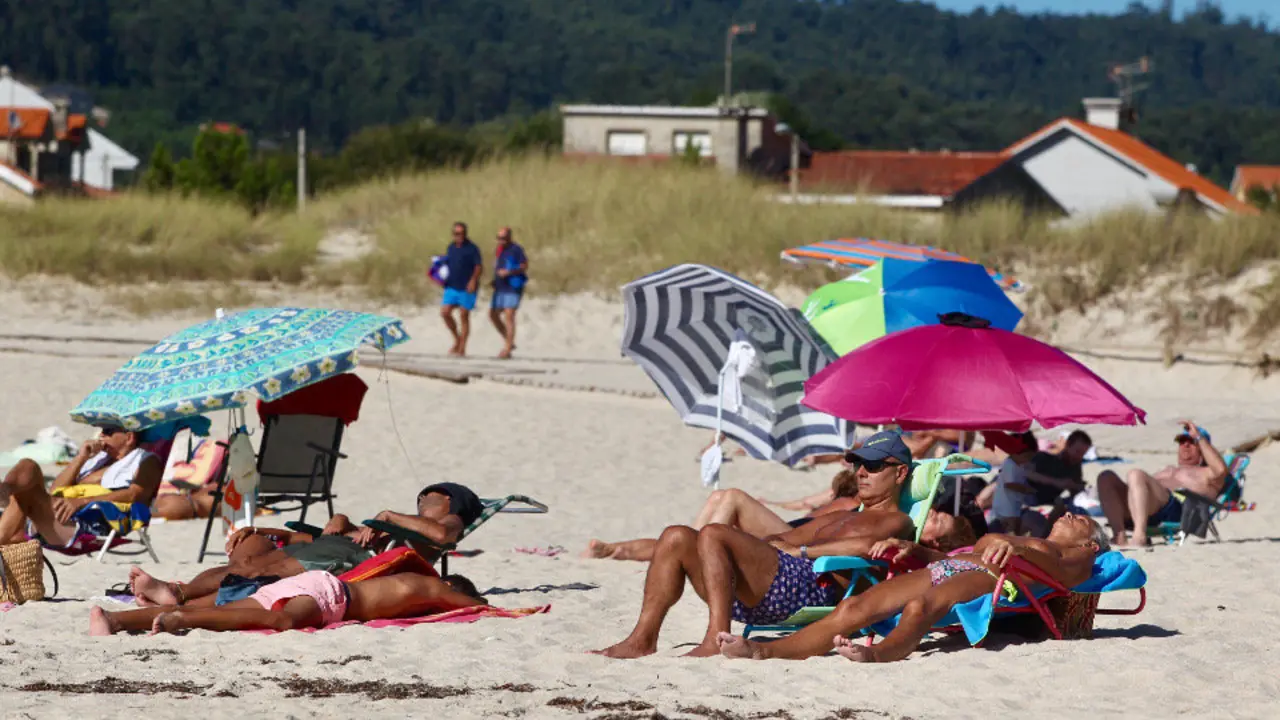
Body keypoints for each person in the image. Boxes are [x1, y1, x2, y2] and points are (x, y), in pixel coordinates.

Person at [590, 430, 917, 659]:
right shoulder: (843, 513)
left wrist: (801, 551)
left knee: (715, 532)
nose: (861, 473)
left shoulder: (897, 521)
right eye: (857, 464)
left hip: (809, 588)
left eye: (872, 466)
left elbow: (866, 548)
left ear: (900, 472)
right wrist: (764, 547)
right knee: (676, 535)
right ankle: (642, 639)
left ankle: (714, 638)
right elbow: (785, 537)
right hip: (768, 585)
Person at [715, 513, 1109, 662]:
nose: (1069, 513)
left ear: (1090, 543)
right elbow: (950, 557)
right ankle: (765, 650)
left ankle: (880, 654)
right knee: (854, 609)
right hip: (954, 565)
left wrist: (1020, 554)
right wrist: (916, 549)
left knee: (922, 607)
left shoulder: (1077, 556)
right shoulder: (1027, 540)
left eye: (1081, 519)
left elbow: (1062, 575)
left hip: (994, 577)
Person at [128, 482, 485, 608]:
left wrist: (390, 515)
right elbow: (357, 530)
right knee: (250, 569)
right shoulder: (411, 523)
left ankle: (179, 594)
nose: (422, 499)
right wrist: (342, 520)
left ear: (450, 502)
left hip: (352, 561)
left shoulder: (447, 521)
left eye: (430, 495)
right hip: (337, 547)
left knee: (258, 572)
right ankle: (180, 593)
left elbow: (443, 538)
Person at [90, 569, 486, 636]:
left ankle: (115, 618)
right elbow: (467, 603)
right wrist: (483, 605)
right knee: (282, 623)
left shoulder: (411, 586)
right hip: (330, 597)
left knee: (227, 613)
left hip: (314, 586)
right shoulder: (430, 584)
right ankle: (181, 620)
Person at [583, 469, 862, 562]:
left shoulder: (852, 503)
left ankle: (696, 550)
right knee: (719, 497)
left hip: (791, 538)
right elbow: (804, 503)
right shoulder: (835, 498)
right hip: (790, 526)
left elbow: (811, 512)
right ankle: (620, 549)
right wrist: (776, 502)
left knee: (734, 498)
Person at [0, 427, 162, 550]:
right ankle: (6, 491)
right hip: (60, 513)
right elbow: (56, 489)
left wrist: (81, 501)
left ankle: (4, 492)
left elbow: (135, 494)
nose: (101, 435)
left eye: (108, 431)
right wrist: (81, 457)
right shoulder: (98, 460)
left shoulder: (145, 461)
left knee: (29, 468)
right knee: (25, 476)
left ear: (129, 437)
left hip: (87, 523)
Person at [1096, 422, 1227, 547]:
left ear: (1204, 449)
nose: (1185, 446)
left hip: (1173, 509)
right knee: (1106, 477)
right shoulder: (1168, 469)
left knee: (1135, 474)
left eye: (1192, 442)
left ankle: (1139, 535)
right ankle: (1119, 535)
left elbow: (1221, 470)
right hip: (1144, 507)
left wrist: (1199, 437)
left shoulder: (1207, 474)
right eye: (1182, 442)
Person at [438, 221, 483, 357]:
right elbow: (448, 265)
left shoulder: (472, 248)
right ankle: (457, 339)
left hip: (467, 286)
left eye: (462, 233)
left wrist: (473, 280)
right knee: (445, 313)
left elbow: (478, 266)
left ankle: (462, 347)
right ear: (453, 234)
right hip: (452, 286)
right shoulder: (451, 247)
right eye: (457, 234)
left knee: (464, 315)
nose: (460, 236)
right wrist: (441, 277)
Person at [488, 226, 528, 359]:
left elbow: (524, 266)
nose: (501, 241)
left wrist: (509, 272)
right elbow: (498, 266)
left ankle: (507, 348)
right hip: (500, 286)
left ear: (509, 237)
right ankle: (509, 341)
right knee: (493, 315)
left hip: (513, 285)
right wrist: (494, 280)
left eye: (504, 238)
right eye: (499, 238)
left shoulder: (516, 249)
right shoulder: (499, 250)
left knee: (509, 315)